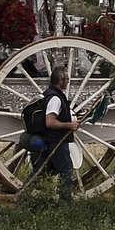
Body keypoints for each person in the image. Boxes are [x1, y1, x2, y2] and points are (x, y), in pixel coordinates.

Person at [39, 66, 83, 202]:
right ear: (60, 80)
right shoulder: (55, 99)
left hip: (49, 139)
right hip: (56, 141)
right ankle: (65, 202)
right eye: (67, 79)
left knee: (41, 170)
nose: (68, 82)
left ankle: (26, 197)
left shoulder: (49, 94)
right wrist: (69, 125)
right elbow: (50, 122)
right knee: (66, 170)